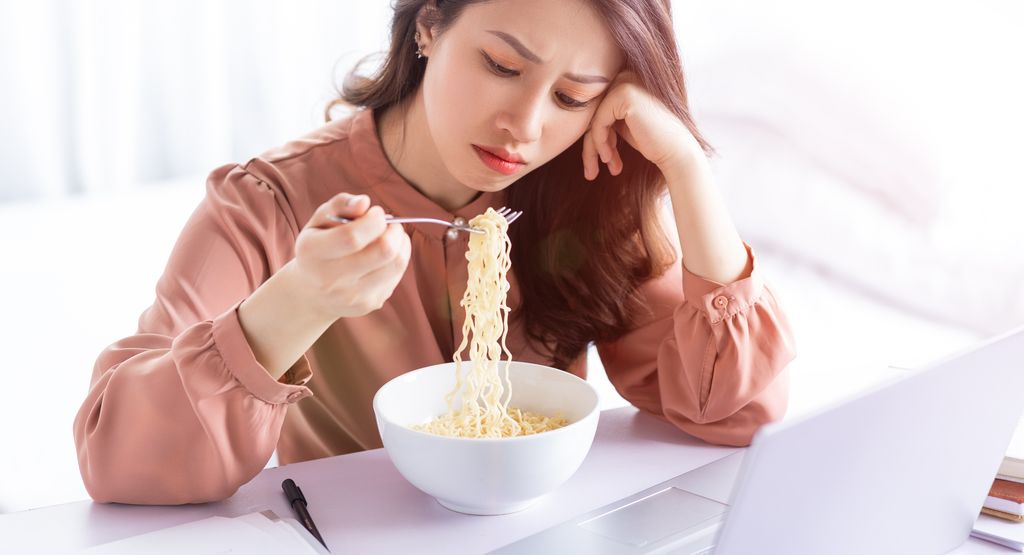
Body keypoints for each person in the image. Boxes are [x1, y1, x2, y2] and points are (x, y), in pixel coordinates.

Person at [74, 0, 796, 505]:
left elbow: (737, 414)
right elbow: (119, 463)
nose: (524, 126)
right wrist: (300, 299)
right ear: (427, 25)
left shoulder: (586, 196)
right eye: (501, 65)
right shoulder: (266, 203)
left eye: (573, 98)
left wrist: (684, 166)